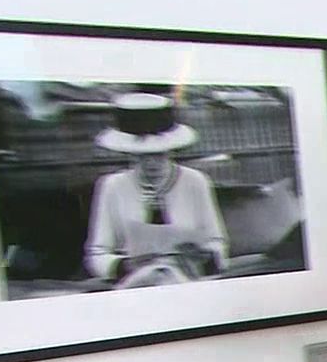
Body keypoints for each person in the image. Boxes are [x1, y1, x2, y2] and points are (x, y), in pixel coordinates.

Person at [83, 91, 229, 285]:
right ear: (129, 153)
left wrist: (204, 257)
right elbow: (97, 253)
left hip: (188, 279)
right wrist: (123, 266)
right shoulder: (112, 186)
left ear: (171, 150)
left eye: (159, 154)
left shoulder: (195, 181)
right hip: (135, 283)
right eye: (142, 156)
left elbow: (217, 243)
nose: (151, 163)